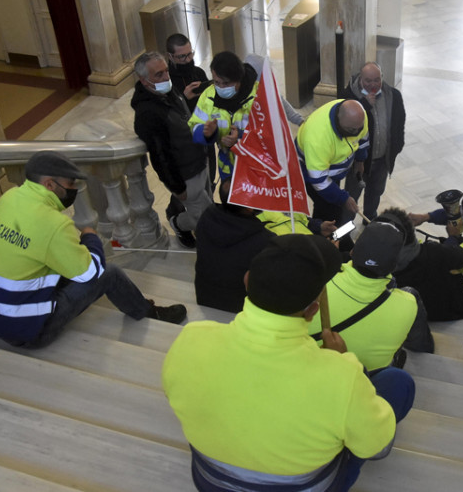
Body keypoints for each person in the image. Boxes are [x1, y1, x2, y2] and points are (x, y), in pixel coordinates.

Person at [162, 234, 415, 492]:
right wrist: (349, 366)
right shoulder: (341, 376)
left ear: (247, 280)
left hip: (212, 481)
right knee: (398, 382)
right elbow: (375, 447)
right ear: (312, 311)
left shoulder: (191, 338)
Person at [0, 151, 186, 348]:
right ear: (49, 184)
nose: (73, 189)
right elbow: (91, 273)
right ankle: (148, 312)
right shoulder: (53, 224)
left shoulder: (9, 198)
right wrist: (90, 238)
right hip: (27, 334)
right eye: (70, 183)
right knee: (109, 274)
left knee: (53, 261)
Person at [309, 221, 434, 371]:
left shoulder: (317, 283)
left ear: (352, 252)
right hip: (370, 377)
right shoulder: (408, 303)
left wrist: (331, 260)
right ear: (394, 266)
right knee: (410, 292)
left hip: (315, 364)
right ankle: (425, 349)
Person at [131, 51, 210, 249]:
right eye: (158, 74)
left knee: (206, 207)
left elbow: (183, 119)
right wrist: (177, 187)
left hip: (199, 162)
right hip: (185, 174)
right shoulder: (147, 114)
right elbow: (160, 156)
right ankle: (178, 223)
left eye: (166, 71)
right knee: (200, 215)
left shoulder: (168, 92)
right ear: (144, 79)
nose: (166, 77)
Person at [377, 207, 463, 322]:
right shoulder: (435, 251)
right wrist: (453, 238)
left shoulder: (383, 271)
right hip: (453, 312)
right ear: (411, 231)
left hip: (418, 318)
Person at [194, 182, 274, 313]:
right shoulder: (263, 240)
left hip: (205, 296)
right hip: (238, 307)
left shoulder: (206, 216)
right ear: (248, 208)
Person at [341, 62, 406, 221]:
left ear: (382, 78)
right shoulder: (348, 97)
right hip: (358, 163)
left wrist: (396, 147)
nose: (373, 85)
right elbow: (344, 128)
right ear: (360, 78)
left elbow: (399, 123)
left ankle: (369, 220)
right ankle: (343, 234)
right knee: (351, 200)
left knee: (376, 192)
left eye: (377, 80)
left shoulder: (393, 96)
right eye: (368, 81)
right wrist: (364, 104)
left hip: (382, 159)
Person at [295, 99, 370, 225]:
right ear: (339, 122)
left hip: (331, 169)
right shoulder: (317, 139)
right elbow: (319, 181)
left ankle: (334, 236)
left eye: (359, 128)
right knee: (328, 212)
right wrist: (343, 198)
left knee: (333, 207)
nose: (356, 133)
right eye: (352, 131)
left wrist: (360, 160)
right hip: (311, 172)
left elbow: (363, 136)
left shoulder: (358, 117)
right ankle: (326, 239)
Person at [188, 51, 259, 183]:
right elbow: (193, 126)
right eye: (216, 82)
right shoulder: (208, 95)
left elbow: (269, 135)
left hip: (256, 169)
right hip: (227, 169)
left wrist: (239, 140)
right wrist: (207, 133)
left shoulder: (258, 96)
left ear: (239, 80)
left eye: (226, 83)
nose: (220, 87)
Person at [166, 33, 218, 188]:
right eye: (182, 57)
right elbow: (168, 115)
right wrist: (183, 98)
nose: (187, 60)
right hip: (184, 139)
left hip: (205, 132)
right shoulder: (167, 81)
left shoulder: (198, 73)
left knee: (210, 175)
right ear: (170, 56)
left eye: (190, 54)